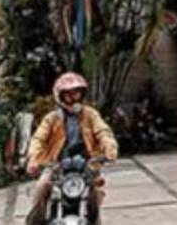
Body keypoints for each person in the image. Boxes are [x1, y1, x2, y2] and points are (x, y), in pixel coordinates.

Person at [25, 72, 119, 225]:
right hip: (56, 165)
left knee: (95, 194)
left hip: (87, 164)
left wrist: (110, 148)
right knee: (42, 187)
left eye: (77, 93)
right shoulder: (52, 118)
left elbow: (103, 131)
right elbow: (38, 139)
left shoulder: (91, 115)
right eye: (68, 94)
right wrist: (33, 159)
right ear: (60, 96)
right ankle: (36, 221)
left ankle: (94, 221)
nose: (74, 97)